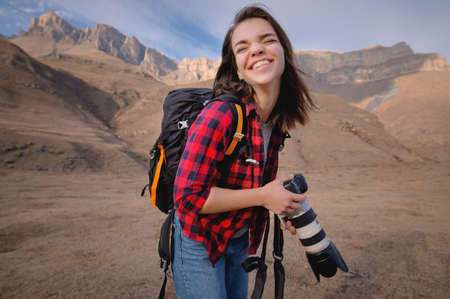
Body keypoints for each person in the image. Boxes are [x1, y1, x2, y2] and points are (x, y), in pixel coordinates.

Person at [172, 5, 315, 299]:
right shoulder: (220, 115)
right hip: (199, 240)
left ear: (283, 51)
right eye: (243, 47)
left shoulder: (273, 124)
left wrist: (281, 202)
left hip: (237, 238)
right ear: (237, 67)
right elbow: (187, 197)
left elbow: (253, 187)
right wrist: (264, 195)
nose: (257, 50)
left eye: (268, 40)